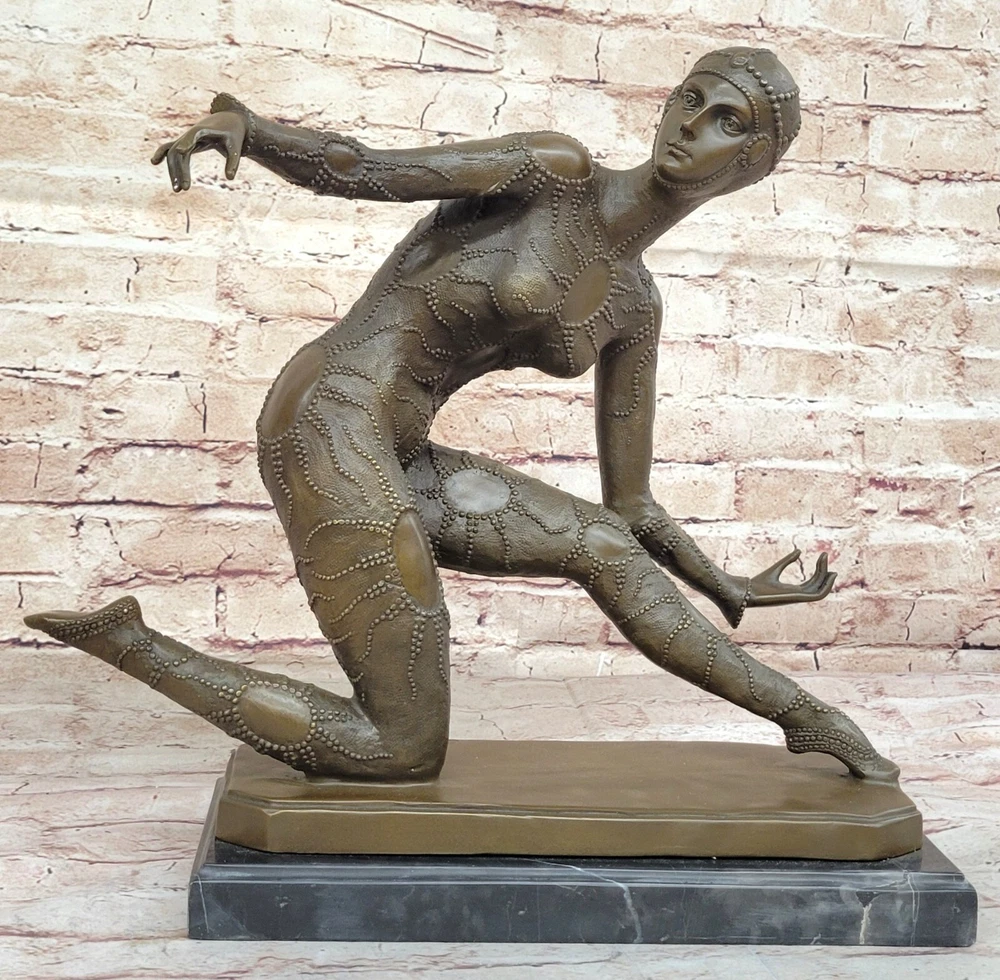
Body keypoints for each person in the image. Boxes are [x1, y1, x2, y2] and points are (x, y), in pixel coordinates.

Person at [26, 48, 898, 782]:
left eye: (728, 122)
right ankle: (132, 643)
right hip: (328, 414)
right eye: (691, 99)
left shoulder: (634, 307)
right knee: (400, 748)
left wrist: (723, 583)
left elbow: (631, 506)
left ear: (756, 164)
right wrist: (254, 134)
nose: (692, 125)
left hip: (399, 451)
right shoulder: (554, 173)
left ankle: (807, 716)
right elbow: (371, 170)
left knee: (603, 545)